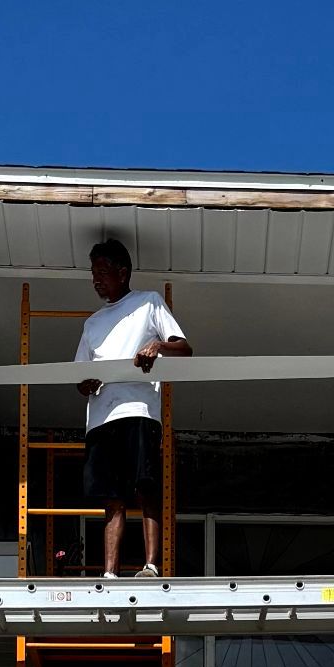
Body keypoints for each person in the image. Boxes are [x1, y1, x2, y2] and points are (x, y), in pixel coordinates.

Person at [74, 240, 191, 578]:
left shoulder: (148, 303)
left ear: (123, 272)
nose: (96, 280)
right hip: (101, 417)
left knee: (145, 486)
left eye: (102, 273)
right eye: (93, 274)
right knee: (110, 496)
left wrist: (157, 346)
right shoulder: (92, 323)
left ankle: (151, 566)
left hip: (138, 409)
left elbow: (184, 348)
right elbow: (79, 375)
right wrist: (87, 383)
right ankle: (109, 573)